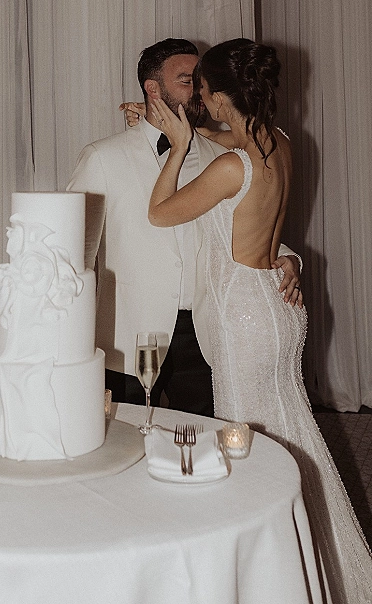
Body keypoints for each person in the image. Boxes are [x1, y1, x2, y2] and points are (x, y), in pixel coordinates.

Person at [148, 37, 372, 603]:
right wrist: (188, 130)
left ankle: (267, 574)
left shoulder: (230, 167)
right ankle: (320, 560)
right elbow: (229, 139)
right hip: (278, 301)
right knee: (294, 432)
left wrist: (175, 149)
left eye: (201, 91)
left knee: (245, 441)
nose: (198, 100)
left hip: (244, 313)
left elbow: (160, 212)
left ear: (220, 98)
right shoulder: (282, 143)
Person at [67, 37, 301, 414]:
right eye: (187, 80)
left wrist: (287, 257)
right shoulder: (102, 158)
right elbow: (75, 256)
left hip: (206, 330)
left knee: (200, 441)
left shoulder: (224, 154)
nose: (198, 91)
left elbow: (246, 222)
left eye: (201, 82)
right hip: (129, 333)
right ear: (152, 88)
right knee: (123, 441)